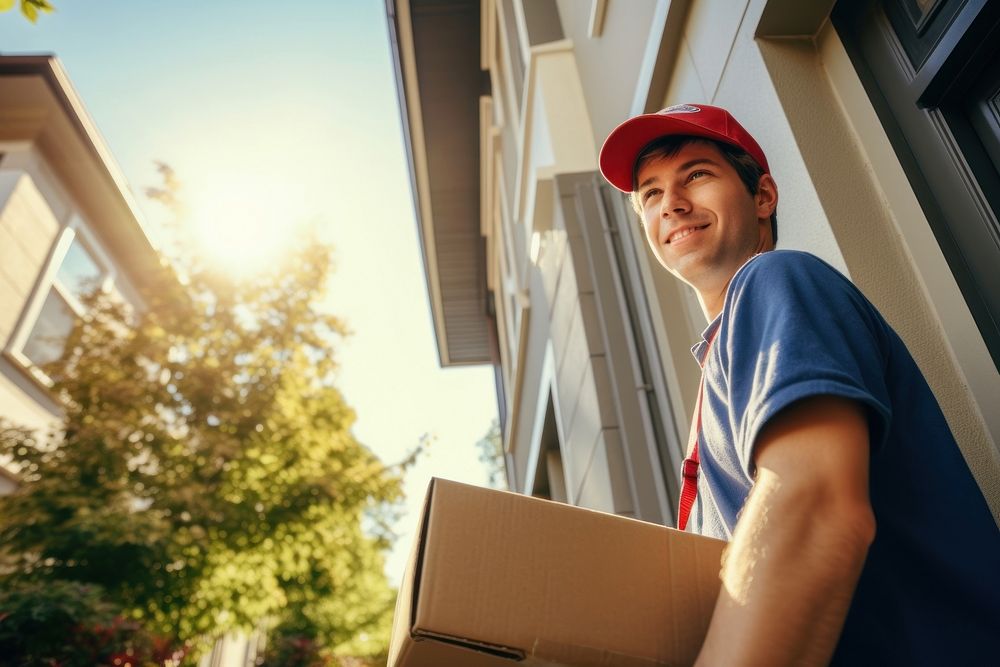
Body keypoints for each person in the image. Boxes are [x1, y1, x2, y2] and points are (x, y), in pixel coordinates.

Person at [599, 104, 1000, 666]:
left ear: (763, 197)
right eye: (650, 193)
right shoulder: (724, 365)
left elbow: (813, 511)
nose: (672, 203)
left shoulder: (774, 281)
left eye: (696, 174)